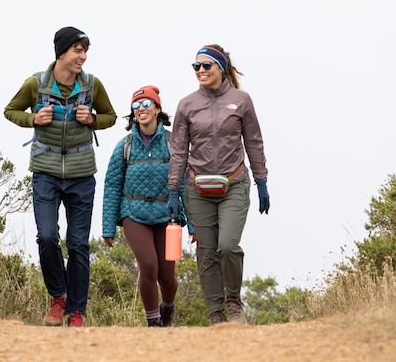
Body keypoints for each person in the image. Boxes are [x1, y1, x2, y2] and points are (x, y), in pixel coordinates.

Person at [3, 26, 117, 327]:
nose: (83, 56)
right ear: (62, 52)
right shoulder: (36, 83)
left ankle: (77, 311)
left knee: (78, 243)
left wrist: (92, 119)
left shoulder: (92, 85)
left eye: (85, 50)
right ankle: (58, 297)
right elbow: (10, 110)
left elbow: (111, 117)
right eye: (78, 50)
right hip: (45, 172)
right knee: (47, 236)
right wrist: (32, 119)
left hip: (82, 174)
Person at [166, 44, 270, 326]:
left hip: (234, 183)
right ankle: (216, 314)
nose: (200, 71)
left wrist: (261, 181)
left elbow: (254, 142)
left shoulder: (242, 100)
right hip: (196, 188)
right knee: (206, 251)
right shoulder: (187, 105)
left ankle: (234, 301)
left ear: (220, 67)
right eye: (196, 66)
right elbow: (178, 151)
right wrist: (173, 190)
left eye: (206, 65)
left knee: (227, 245)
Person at [102, 86, 194, 327]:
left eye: (145, 104)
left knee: (167, 275)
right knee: (148, 266)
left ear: (157, 108)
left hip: (169, 216)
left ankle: (167, 308)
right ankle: (153, 322)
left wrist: (194, 225)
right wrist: (108, 227)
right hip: (134, 214)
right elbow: (112, 186)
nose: (140, 109)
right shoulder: (125, 145)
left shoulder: (174, 142)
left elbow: (185, 183)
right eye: (135, 106)